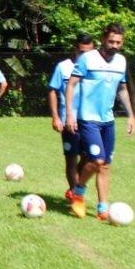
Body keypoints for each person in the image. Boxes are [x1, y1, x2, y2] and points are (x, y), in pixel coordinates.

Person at [64, 23, 135, 220]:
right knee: (97, 160)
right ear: (104, 39)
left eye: (118, 42)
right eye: (111, 41)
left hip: (108, 120)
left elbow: (122, 89)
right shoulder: (88, 59)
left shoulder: (121, 61)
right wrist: (70, 114)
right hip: (88, 119)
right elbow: (71, 85)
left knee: (105, 166)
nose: (114, 45)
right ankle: (78, 192)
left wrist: (131, 115)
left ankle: (103, 208)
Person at [47, 33, 96, 200]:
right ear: (75, 50)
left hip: (89, 120)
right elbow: (53, 90)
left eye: (89, 52)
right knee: (71, 159)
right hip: (69, 121)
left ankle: (76, 189)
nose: (85, 56)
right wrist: (56, 117)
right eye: (82, 52)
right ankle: (76, 194)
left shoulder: (93, 68)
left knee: (92, 157)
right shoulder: (63, 67)